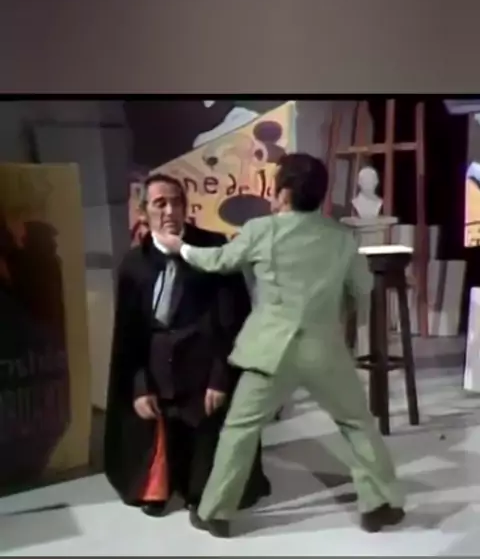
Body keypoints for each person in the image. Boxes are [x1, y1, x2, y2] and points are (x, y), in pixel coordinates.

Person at [157, 153, 405, 538]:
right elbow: (362, 288)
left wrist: (181, 248)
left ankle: (215, 512)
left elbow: (219, 260)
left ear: (284, 193)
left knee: (240, 429)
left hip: (270, 353)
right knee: (357, 424)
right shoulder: (342, 238)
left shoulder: (261, 230)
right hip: (325, 350)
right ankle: (381, 504)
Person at [104, 172, 270, 516]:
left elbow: (233, 322)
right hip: (159, 373)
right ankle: (159, 484)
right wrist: (139, 387)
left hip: (203, 374)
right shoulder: (133, 264)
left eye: (176, 202)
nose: (170, 211)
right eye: (160, 204)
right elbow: (129, 335)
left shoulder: (214, 249)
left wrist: (220, 378)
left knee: (204, 482)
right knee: (156, 451)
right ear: (143, 212)